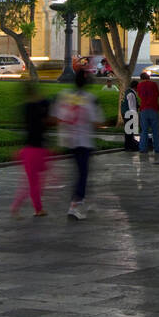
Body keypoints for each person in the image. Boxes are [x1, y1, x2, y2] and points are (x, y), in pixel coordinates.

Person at [53, 69, 104, 219]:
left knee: (81, 172)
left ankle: (83, 199)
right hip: (83, 141)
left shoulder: (64, 96)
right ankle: (75, 204)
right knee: (83, 174)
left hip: (69, 140)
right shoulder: (90, 99)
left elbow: (57, 117)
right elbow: (97, 121)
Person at [11, 81, 52, 218]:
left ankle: (35, 208)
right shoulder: (39, 106)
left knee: (34, 182)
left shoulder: (25, 107)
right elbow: (45, 122)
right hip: (37, 150)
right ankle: (31, 208)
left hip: (29, 149)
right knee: (35, 183)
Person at [135, 71, 159, 156]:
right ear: (149, 77)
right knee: (155, 130)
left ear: (141, 78)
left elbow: (139, 95)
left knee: (144, 131)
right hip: (153, 108)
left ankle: (143, 148)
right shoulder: (154, 84)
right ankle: (157, 148)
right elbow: (157, 95)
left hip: (143, 109)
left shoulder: (139, 85)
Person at [121, 80, 141, 151]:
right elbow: (131, 106)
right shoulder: (131, 94)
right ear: (136, 87)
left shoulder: (128, 92)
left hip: (125, 112)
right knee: (129, 131)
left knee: (129, 131)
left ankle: (129, 145)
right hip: (129, 114)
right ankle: (129, 146)